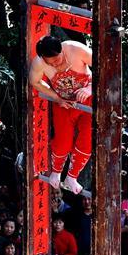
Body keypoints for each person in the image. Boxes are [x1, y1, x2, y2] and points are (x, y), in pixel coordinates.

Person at [28, 35, 93, 194]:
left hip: (87, 99)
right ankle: (56, 172)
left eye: (58, 59)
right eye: (52, 63)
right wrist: (56, 97)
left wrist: (90, 88)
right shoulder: (39, 63)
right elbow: (34, 81)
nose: (57, 64)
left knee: (86, 140)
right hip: (64, 102)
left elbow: (105, 66)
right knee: (63, 140)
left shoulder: (76, 49)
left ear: (62, 50)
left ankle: (72, 176)